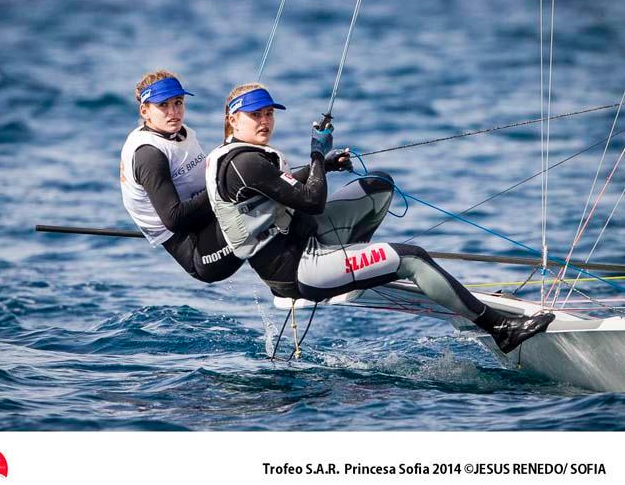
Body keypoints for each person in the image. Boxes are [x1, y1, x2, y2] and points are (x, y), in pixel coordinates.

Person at [204, 82, 555, 354]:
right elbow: (311, 200)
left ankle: (352, 270)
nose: (264, 121)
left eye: (269, 113)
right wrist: (317, 152)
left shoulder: (243, 156)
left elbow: (280, 186)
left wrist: (323, 165)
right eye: (255, 115)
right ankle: (500, 330)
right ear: (233, 119)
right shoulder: (245, 162)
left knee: (377, 186)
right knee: (412, 258)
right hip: (295, 272)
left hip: (305, 241)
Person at [120, 70, 243, 283]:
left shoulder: (181, 132)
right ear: (145, 111)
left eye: (178, 102)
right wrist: (223, 185)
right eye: (163, 105)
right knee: (261, 197)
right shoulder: (148, 154)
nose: (173, 112)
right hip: (199, 254)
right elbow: (174, 219)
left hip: (210, 219)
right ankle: (291, 284)